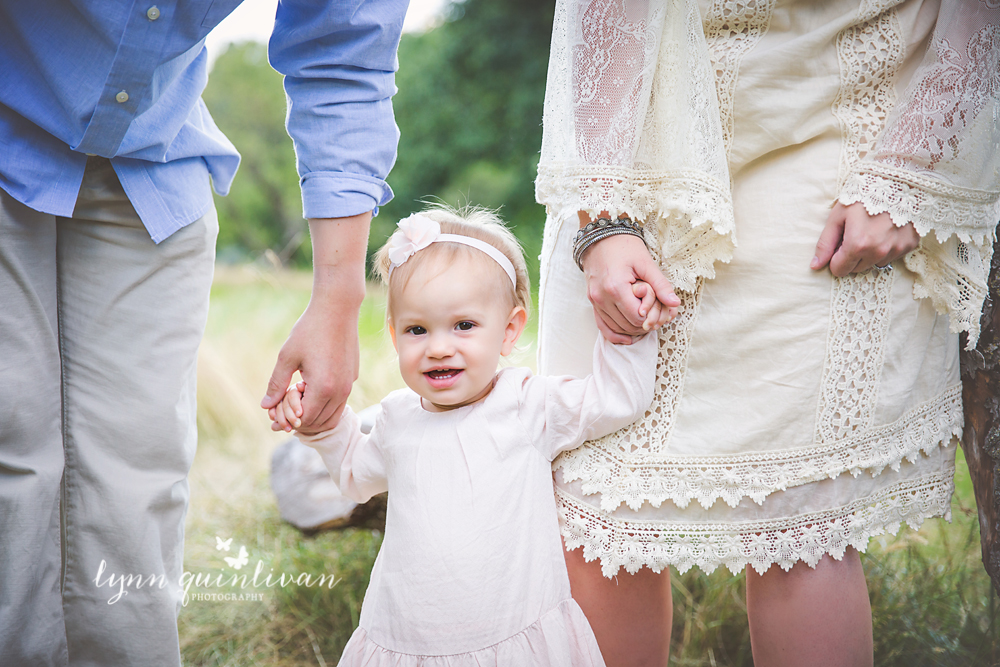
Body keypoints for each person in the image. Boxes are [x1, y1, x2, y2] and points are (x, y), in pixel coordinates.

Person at [535, 0, 999, 665]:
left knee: (797, 524)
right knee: (594, 506)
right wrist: (603, 212)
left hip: (832, 125)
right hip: (628, 140)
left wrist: (916, 166)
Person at [0, 1, 409, 665]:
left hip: (152, 157)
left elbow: (344, 49)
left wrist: (337, 298)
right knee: (12, 453)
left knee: (137, 480)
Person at [268, 207, 671, 665]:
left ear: (509, 329)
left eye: (464, 325)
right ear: (396, 339)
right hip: (406, 636)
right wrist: (321, 423)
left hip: (513, 633)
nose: (439, 346)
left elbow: (616, 400)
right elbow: (353, 474)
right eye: (417, 329)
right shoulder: (398, 418)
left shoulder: (525, 404)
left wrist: (628, 331)